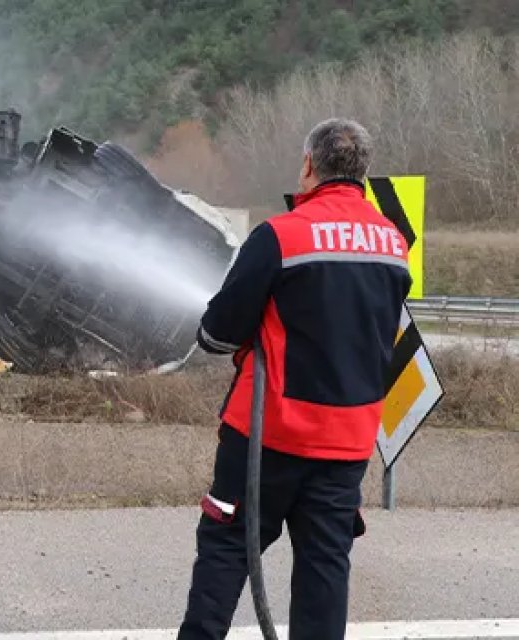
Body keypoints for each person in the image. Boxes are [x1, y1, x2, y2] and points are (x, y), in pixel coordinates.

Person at [177, 118, 412, 640]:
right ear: (364, 174)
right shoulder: (394, 246)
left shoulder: (279, 236)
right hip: (346, 446)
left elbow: (216, 335)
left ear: (309, 166)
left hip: (268, 436)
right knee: (325, 568)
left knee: (226, 547)